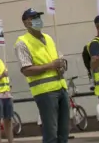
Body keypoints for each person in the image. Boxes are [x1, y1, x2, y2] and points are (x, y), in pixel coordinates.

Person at [14, 9, 68, 143]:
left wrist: (62, 64)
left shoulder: (49, 38)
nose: (38, 19)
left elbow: (58, 58)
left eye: (38, 16)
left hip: (61, 87)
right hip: (45, 92)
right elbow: (26, 69)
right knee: (51, 133)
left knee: (64, 132)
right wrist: (50, 66)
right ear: (26, 22)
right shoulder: (22, 43)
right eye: (33, 17)